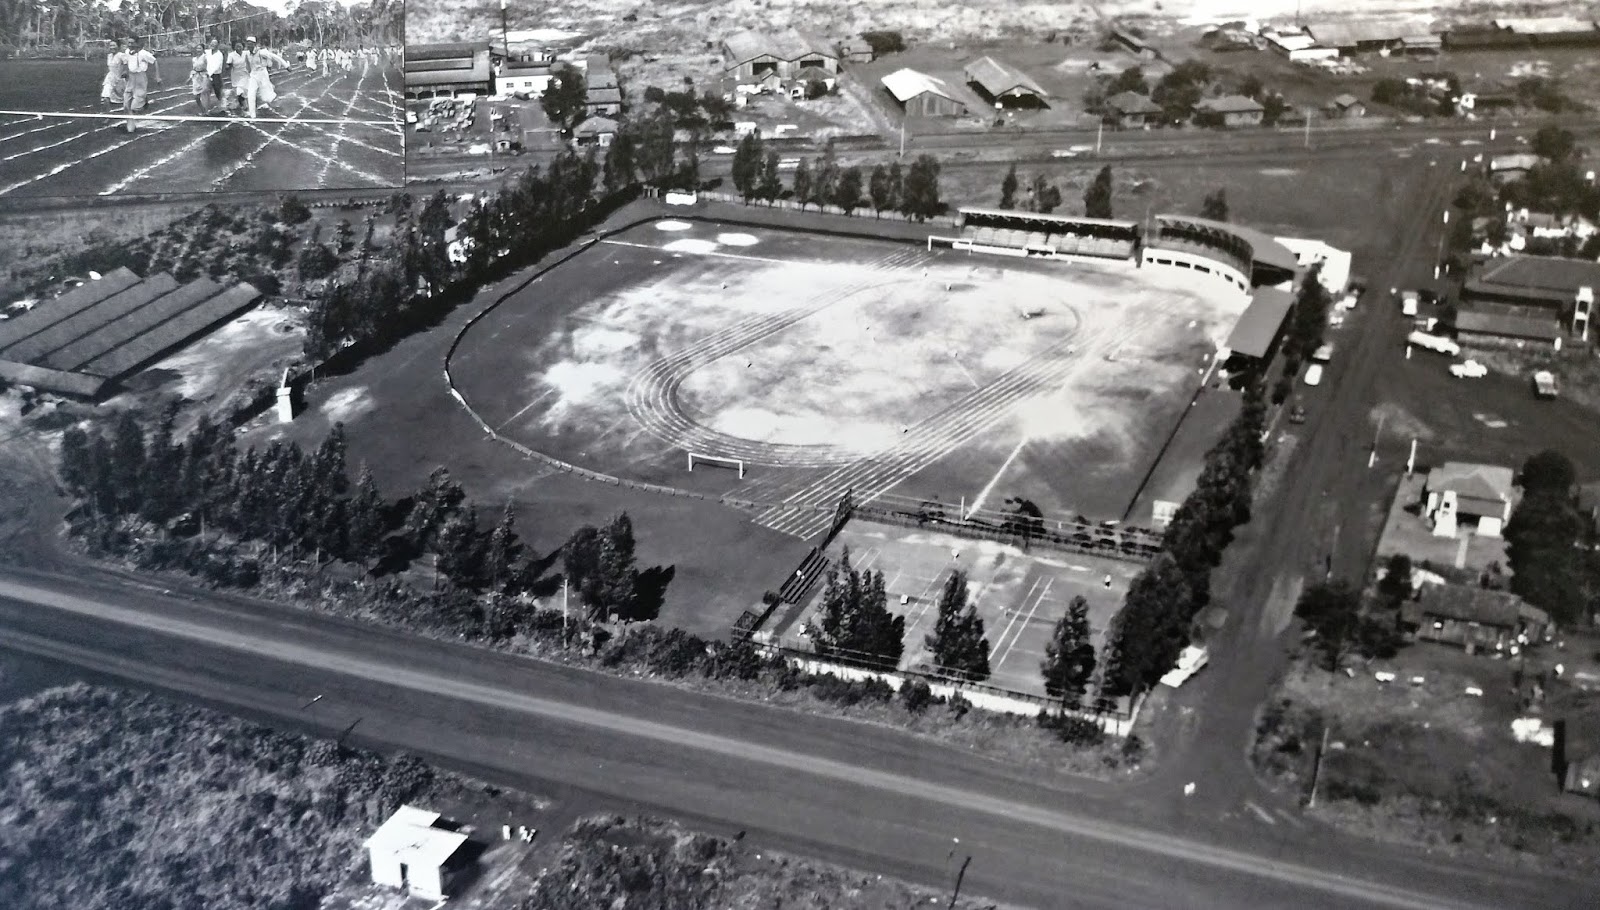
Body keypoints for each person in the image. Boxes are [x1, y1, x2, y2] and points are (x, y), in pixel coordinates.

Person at [243, 36, 289, 119]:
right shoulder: (247, 54)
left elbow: (275, 57)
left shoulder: (261, 52)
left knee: (266, 97)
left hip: (262, 74)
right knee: (251, 94)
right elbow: (247, 65)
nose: (249, 46)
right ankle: (252, 116)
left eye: (250, 44)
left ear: (254, 44)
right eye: (247, 44)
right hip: (253, 75)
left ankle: (274, 96)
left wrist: (286, 65)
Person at [122, 37, 161, 134]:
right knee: (126, 105)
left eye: (132, 43)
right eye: (129, 43)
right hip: (131, 78)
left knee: (134, 107)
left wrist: (157, 77)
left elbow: (154, 61)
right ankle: (130, 125)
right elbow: (126, 63)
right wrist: (125, 72)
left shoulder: (143, 53)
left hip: (140, 78)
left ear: (137, 44)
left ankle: (144, 101)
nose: (130, 45)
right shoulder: (127, 52)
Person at [100, 39, 128, 110]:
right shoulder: (109, 56)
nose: (112, 47)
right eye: (110, 45)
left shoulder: (121, 55)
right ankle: (107, 114)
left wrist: (125, 71)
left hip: (119, 79)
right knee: (105, 95)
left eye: (114, 45)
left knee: (126, 98)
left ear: (118, 46)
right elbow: (109, 67)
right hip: (110, 79)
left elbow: (127, 64)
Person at [189, 44, 216, 115]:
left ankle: (206, 111)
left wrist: (209, 76)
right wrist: (190, 77)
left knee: (205, 94)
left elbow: (210, 67)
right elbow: (193, 69)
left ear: (203, 49)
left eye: (200, 48)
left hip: (204, 76)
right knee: (196, 96)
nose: (198, 50)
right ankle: (203, 110)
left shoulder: (206, 57)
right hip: (196, 78)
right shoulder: (194, 59)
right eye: (197, 48)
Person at [225, 39, 251, 114]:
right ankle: (244, 107)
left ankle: (244, 105)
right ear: (234, 47)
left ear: (243, 46)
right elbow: (228, 64)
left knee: (245, 92)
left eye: (240, 46)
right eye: (237, 46)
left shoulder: (246, 53)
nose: (238, 48)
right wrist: (227, 67)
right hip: (236, 76)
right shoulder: (231, 55)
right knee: (239, 92)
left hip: (245, 75)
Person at [204, 37, 226, 105]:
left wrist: (209, 74)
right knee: (206, 91)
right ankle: (205, 108)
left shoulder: (219, 55)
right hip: (207, 75)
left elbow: (216, 66)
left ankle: (224, 106)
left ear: (217, 45)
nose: (213, 45)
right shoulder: (207, 52)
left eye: (215, 43)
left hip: (216, 76)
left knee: (218, 92)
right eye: (212, 43)